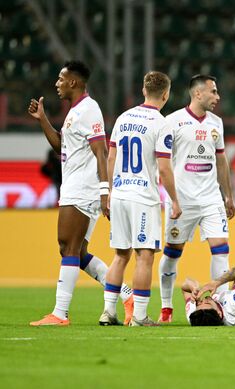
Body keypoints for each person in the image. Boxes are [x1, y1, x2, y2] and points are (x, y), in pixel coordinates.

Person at [28, 60, 133, 327]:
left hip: (83, 188)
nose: (57, 83)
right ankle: (125, 293)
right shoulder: (76, 112)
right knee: (77, 251)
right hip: (75, 186)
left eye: (61, 79)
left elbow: (101, 151)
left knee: (68, 246)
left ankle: (60, 314)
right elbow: (61, 147)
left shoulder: (89, 109)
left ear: (74, 82)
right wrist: (43, 120)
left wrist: (103, 190)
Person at [99, 71, 181, 327]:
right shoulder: (161, 123)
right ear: (166, 94)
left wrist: (112, 191)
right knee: (144, 256)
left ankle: (108, 312)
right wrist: (175, 201)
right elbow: (165, 168)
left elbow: (110, 158)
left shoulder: (123, 118)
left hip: (120, 194)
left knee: (120, 255)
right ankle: (140, 316)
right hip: (143, 197)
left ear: (143, 90)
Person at [157, 74, 235, 323]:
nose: (218, 96)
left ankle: (221, 304)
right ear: (198, 93)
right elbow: (164, 164)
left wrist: (228, 195)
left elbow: (221, 160)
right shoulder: (172, 122)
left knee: (221, 248)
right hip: (183, 200)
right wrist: (173, 200)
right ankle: (166, 308)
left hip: (211, 198)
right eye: (213, 91)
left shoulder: (216, 123)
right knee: (172, 253)